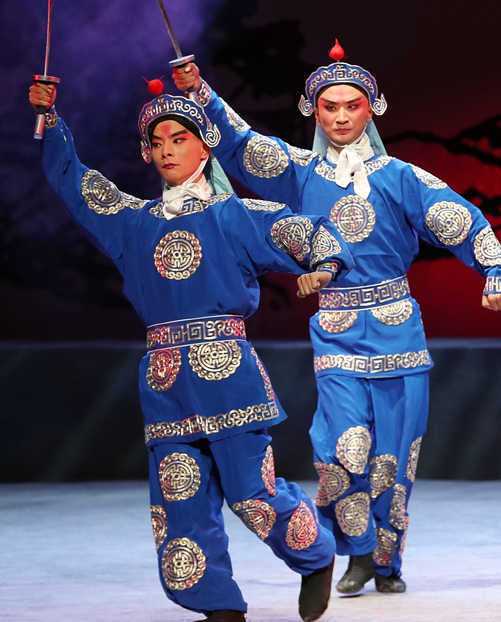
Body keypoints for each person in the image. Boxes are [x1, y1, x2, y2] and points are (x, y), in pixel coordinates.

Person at [171, 43, 501, 594]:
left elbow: (457, 218)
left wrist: (496, 269)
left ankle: (385, 563)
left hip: (398, 332)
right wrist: (199, 93)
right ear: (313, 110)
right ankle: (355, 549)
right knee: (340, 452)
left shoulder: (400, 176)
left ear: (372, 109)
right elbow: (239, 144)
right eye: (329, 106)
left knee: (393, 462)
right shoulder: (299, 172)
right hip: (336, 333)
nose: (339, 117)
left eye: (351, 106)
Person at [29, 78, 356, 622]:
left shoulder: (235, 216)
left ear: (204, 147)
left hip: (227, 375)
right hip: (165, 381)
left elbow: (306, 232)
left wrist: (324, 266)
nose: (166, 151)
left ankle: (316, 555)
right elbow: (76, 182)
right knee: (180, 500)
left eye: (178, 139)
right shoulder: (133, 224)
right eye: (156, 143)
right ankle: (217, 605)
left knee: (252, 496)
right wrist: (51, 119)